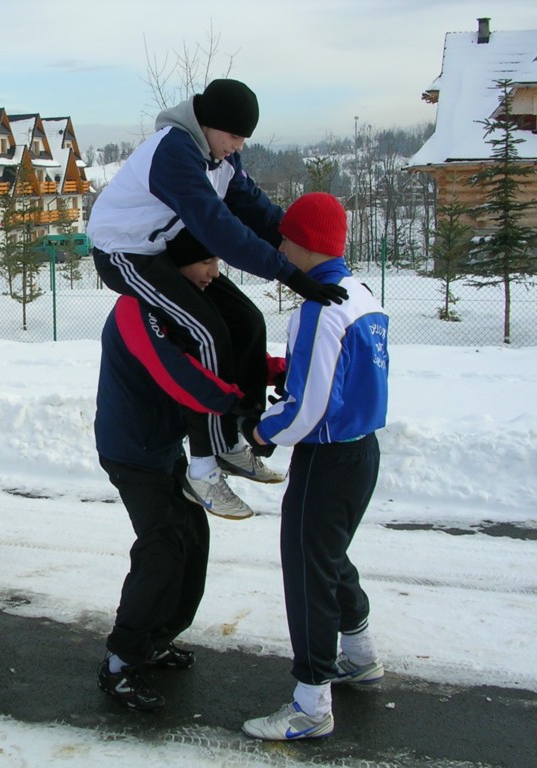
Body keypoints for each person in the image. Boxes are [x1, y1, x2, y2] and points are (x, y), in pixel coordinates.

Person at [87, 78, 343, 518]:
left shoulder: (220, 157)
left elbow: (254, 208)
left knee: (247, 321)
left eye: (243, 138)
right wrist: (287, 274)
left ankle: (232, 439)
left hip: (161, 250)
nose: (238, 145)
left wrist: (303, 251)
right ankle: (203, 467)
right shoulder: (174, 152)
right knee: (205, 332)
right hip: (123, 253)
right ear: (208, 123)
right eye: (235, 135)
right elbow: (217, 226)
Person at [94, 246, 272, 711]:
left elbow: (219, 356)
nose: (214, 272)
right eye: (205, 261)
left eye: (218, 261)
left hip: (164, 447)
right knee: (163, 546)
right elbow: (176, 372)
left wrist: (271, 370)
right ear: (176, 262)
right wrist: (232, 400)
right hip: (132, 450)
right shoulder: (135, 306)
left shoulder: (183, 304)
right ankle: (120, 660)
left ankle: (154, 639)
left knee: (193, 540)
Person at [239, 193, 389, 741]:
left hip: (326, 458)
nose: (279, 247)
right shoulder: (361, 294)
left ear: (306, 245)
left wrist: (260, 431)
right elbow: (343, 377)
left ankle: (311, 704)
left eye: (286, 238)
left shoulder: (317, 309)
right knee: (327, 558)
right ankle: (360, 655)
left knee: (306, 572)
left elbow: (307, 410)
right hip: (361, 452)